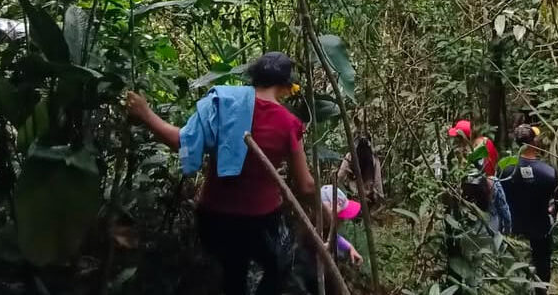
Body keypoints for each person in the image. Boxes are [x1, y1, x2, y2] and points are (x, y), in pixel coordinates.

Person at [126, 52, 315, 295]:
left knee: (232, 274)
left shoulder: (224, 105)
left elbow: (182, 141)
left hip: (213, 219)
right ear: (286, 85)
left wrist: (146, 114)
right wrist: (325, 206)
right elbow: (306, 185)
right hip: (259, 222)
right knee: (282, 260)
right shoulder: (288, 123)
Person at [501, 124, 558, 293]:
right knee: (542, 267)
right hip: (540, 228)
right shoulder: (548, 172)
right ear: (534, 143)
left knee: (514, 268)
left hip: (513, 229)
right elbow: (556, 202)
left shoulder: (505, 168)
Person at [337, 136, 384, 206]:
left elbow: (340, 176)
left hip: (353, 195)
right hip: (368, 197)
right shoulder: (374, 158)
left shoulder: (349, 156)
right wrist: (380, 196)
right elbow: (378, 180)